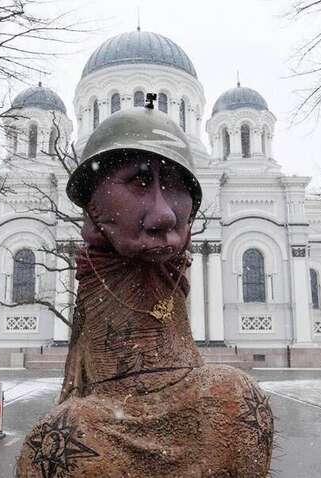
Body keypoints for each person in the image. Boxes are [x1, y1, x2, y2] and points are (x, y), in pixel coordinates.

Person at [16, 97, 273, 478]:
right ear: (90, 210)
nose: (164, 213)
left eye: (173, 185)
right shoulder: (66, 437)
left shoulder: (235, 403)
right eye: (138, 182)